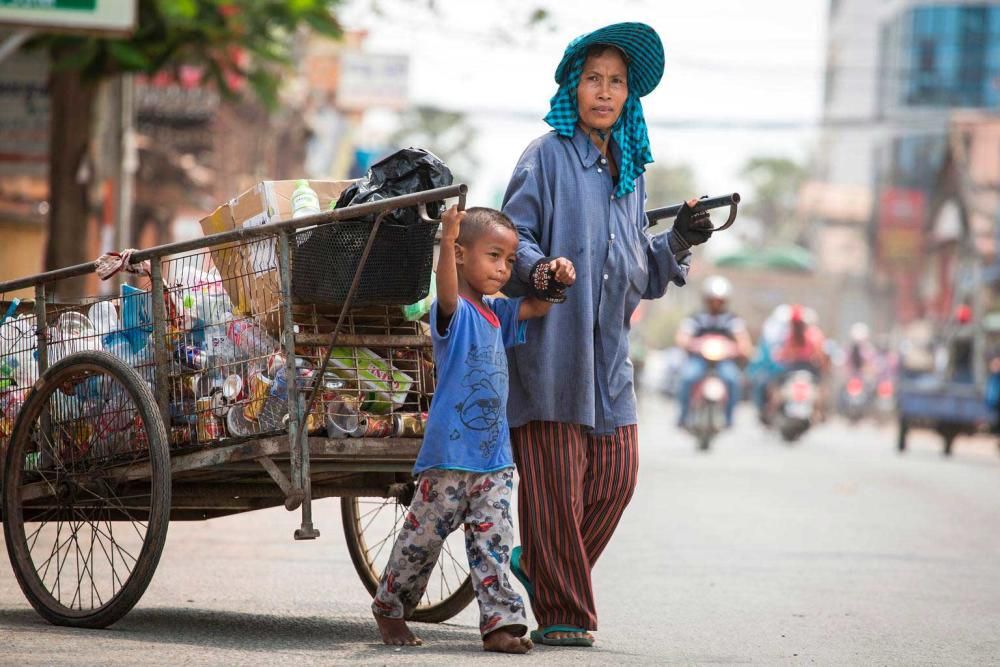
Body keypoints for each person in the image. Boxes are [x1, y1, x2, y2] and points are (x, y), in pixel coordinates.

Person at [500, 23, 715, 647]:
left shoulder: (628, 170)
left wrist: (680, 238)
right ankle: (564, 612)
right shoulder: (544, 155)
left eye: (615, 81)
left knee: (618, 477)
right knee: (555, 489)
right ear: (574, 86)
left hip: (608, 358)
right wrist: (539, 270)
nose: (604, 90)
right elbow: (512, 238)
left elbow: (637, 272)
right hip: (548, 348)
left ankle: (540, 565)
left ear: (629, 95)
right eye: (592, 78)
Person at [371, 205, 576, 653]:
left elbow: (539, 305)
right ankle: (390, 606)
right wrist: (446, 238)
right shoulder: (455, 313)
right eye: (493, 256)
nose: (502, 269)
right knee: (421, 541)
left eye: (508, 260)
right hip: (448, 456)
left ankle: (500, 624)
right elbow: (446, 288)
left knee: (495, 543)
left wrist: (556, 275)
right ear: (462, 256)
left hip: (496, 460)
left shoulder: (496, 316)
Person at [675, 276, 753, 427]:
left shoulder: (732, 320)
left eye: (719, 301)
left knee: (732, 379)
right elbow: (683, 336)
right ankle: (683, 416)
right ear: (706, 300)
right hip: (699, 359)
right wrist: (689, 343)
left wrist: (740, 349)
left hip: (723, 361)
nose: (715, 304)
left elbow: (743, 340)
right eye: (712, 300)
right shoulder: (696, 318)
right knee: (687, 378)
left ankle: (729, 418)